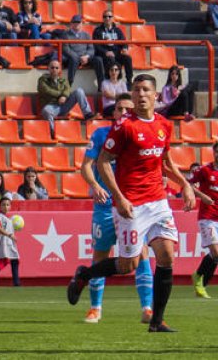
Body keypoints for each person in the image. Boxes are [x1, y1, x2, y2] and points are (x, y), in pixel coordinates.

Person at [67, 75, 197, 332]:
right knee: (129, 265)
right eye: (136, 90)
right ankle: (85, 274)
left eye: (146, 90)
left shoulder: (163, 125)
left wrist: (185, 185)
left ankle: (156, 321)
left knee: (166, 256)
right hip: (131, 204)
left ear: (156, 95)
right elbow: (103, 162)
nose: (140, 94)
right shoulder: (124, 127)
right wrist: (120, 197)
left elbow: (166, 163)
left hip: (158, 202)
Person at [78, 94, 153, 323]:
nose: (122, 112)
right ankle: (95, 308)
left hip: (133, 206)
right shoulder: (101, 135)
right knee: (101, 255)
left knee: (141, 254)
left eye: (126, 109)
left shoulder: (138, 135)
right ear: (114, 112)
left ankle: (147, 308)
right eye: (119, 108)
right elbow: (86, 166)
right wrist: (93, 185)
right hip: (105, 206)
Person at [189, 142, 218, 298]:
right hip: (208, 217)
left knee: (216, 256)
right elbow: (188, 185)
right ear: (213, 153)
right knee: (216, 253)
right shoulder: (205, 170)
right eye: (217, 151)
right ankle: (199, 279)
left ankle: (201, 283)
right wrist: (202, 196)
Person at [38, 58, 96, 128]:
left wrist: (64, 96)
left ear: (59, 69)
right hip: (52, 106)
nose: (54, 69)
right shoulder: (43, 79)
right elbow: (46, 90)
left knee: (79, 91)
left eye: (57, 68)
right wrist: (61, 95)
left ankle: (87, 114)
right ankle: (52, 132)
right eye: (52, 67)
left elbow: (67, 89)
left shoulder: (64, 80)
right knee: (46, 110)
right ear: (49, 68)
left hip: (64, 105)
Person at [92, 10, 133, 89]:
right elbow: (96, 45)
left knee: (128, 58)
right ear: (102, 18)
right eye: (105, 17)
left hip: (116, 54)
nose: (107, 18)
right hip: (103, 55)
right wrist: (105, 52)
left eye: (109, 16)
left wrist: (124, 48)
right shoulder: (97, 31)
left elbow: (124, 42)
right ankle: (111, 84)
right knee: (109, 58)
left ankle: (129, 82)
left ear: (113, 18)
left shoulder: (118, 31)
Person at [0, 197, 21, 287]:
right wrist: (9, 235)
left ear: (10, 207)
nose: (5, 207)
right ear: (0, 206)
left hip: (8, 243)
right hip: (1, 243)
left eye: (7, 205)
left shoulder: (9, 219)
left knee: (15, 260)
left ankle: (16, 283)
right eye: (3, 204)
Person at [61, 15, 95, 86]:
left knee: (98, 60)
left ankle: (101, 85)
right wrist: (78, 57)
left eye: (78, 22)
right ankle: (69, 83)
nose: (76, 24)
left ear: (81, 23)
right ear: (71, 23)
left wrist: (86, 56)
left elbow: (91, 49)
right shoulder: (66, 35)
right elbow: (66, 49)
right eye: (74, 22)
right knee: (74, 59)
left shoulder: (87, 35)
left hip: (85, 58)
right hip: (73, 58)